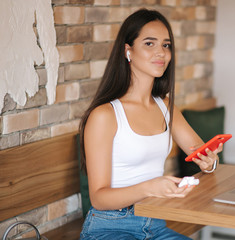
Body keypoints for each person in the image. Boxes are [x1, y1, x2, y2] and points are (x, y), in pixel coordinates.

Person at [79, 8, 223, 240]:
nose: (161, 53)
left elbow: (199, 150)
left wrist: (209, 163)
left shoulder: (165, 106)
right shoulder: (105, 115)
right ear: (128, 51)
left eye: (166, 45)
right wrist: (149, 187)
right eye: (149, 43)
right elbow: (98, 198)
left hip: (155, 222)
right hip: (110, 227)